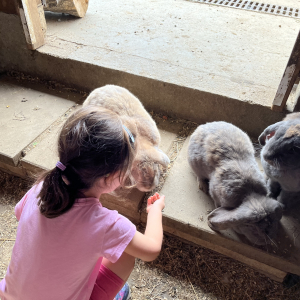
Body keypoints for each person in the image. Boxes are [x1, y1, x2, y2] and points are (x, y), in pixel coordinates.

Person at [0, 106, 165, 300]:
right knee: (124, 253)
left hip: (9, 295)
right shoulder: (105, 224)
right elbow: (151, 249)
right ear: (110, 177)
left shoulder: (42, 186)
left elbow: (22, 217)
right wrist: (155, 211)